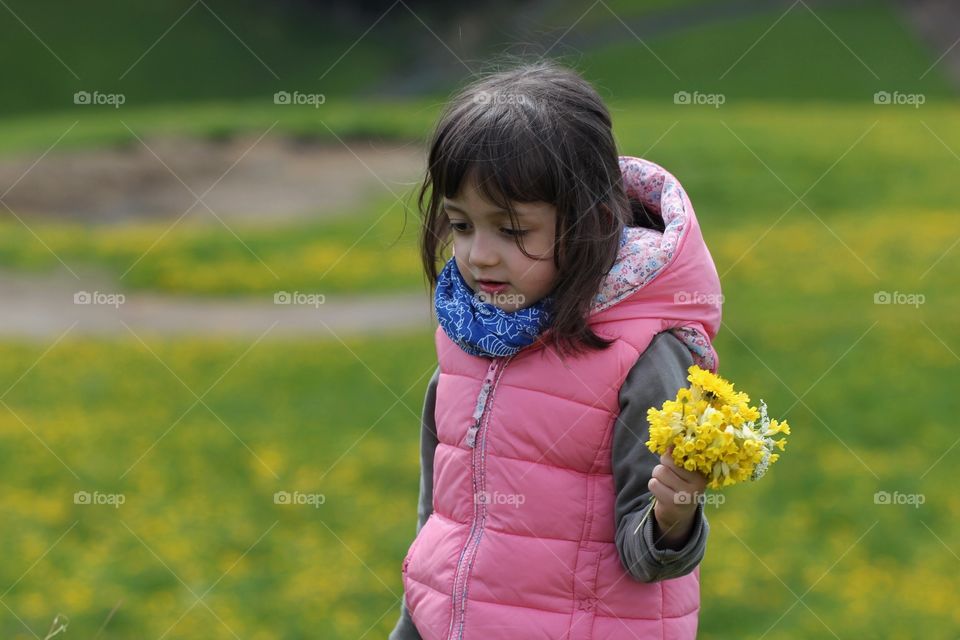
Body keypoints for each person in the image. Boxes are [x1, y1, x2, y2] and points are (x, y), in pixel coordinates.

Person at [389, 59, 722, 640]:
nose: (479, 255)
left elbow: (649, 562)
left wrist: (674, 516)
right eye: (461, 225)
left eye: (513, 231)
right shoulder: (468, 334)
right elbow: (441, 530)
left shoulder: (643, 355)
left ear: (588, 223)